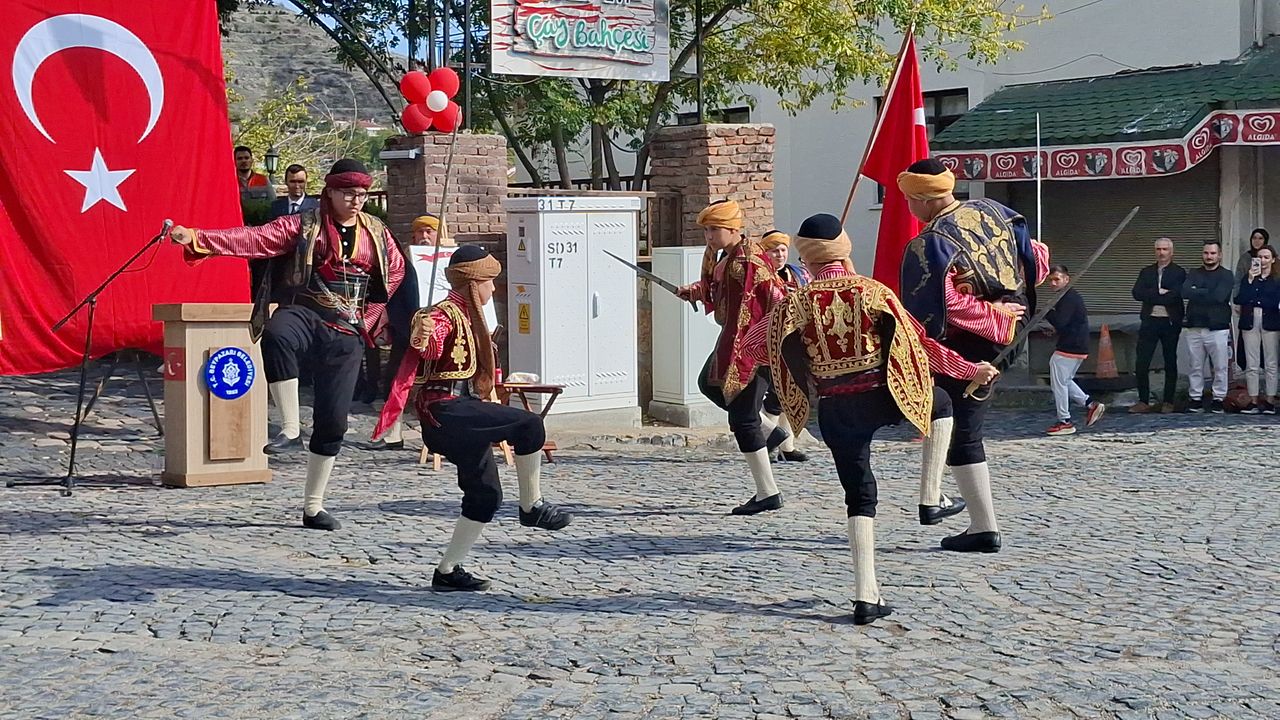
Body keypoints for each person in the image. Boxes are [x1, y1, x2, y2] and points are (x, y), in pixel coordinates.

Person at [767, 213, 1000, 624]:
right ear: (843, 248)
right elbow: (920, 344)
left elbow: (756, 345)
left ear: (807, 257)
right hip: (884, 395)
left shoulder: (795, 303)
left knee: (859, 497)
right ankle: (931, 496)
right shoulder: (873, 291)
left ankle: (865, 596)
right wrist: (970, 370)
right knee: (941, 404)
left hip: (836, 408)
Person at [169, 159, 405, 531]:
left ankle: (313, 507)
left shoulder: (377, 232)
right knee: (278, 333)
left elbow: (395, 272)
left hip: (347, 328)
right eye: (348, 193)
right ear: (330, 192)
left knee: (333, 422)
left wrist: (370, 317)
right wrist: (199, 238)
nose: (356, 201)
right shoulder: (304, 224)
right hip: (307, 311)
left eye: (361, 194)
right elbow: (255, 239)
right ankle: (290, 429)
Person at [374, 245, 572, 591]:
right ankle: (532, 506)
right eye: (489, 281)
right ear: (472, 282)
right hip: (445, 411)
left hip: (464, 412)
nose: (493, 288)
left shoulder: (471, 316)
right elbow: (431, 343)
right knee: (529, 424)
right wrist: (422, 335)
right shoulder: (444, 314)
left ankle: (447, 571)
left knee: (485, 496)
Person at [898, 159, 1049, 553]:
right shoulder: (996, 210)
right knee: (955, 425)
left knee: (962, 431)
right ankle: (946, 503)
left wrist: (992, 314)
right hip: (1014, 332)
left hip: (970, 344)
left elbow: (941, 305)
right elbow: (1036, 260)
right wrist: (1011, 303)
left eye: (909, 201)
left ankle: (983, 526)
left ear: (921, 199)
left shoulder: (930, 243)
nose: (909, 208)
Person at [676, 200, 791, 515]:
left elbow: (773, 298)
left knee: (743, 419)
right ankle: (770, 431)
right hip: (732, 341)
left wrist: (762, 345)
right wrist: (696, 291)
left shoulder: (750, 260)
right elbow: (721, 290)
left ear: (732, 229)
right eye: (707, 230)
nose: (709, 236)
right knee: (708, 383)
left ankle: (767, 492)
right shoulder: (728, 258)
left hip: (752, 349)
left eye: (714, 230)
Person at [370, 214, 457, 450]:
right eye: (420, 232)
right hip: (409, 334)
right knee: (396, 382)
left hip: (446, 336)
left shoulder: (452, 260)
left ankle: (450, 432)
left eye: (430, 231)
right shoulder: (404, 262)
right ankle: (393, 434)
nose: (424, 236)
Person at [758, 229, 809, 463]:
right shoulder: (761, 277)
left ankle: (787, 446)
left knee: (792, 393)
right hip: (769, 342)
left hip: (795, 342)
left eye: (782, 250)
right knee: (775, 395)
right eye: (774, 251)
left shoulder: (798, 274)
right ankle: (767, 442)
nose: (779, 255)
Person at [1042, 265, 1105, 435]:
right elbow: (1069, 323)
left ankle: (1065, 421)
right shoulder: (1068, 297)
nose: (1053, 283)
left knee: (1059, 382)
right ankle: (1090, 404)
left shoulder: (1068, 297)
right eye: (1050, 280)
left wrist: (1047, 311)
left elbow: (1061, 321)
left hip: (1071, 346)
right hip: (1075, 344)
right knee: (1064, 380)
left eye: (1057, 279)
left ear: (1066, 279)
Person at [1130, 238, 1186, 413]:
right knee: (1142, 361)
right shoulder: (1146, 272)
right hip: (1150, 320)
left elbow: (1175, 295)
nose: (1161, 253)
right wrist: (1159, 293)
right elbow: (1136, 293)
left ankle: (1168, 401)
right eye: (1158, 249)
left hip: (1170, 321)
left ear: (1171, 252)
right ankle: (1143, 400)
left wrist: (1152, 295)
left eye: (1165, 249)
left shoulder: (1179, 272)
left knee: (1170, 361)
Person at [1183, 241, 1235, 414]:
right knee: (1195, 365)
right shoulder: (1194, 273)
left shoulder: (1226, 275)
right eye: (1206, 253)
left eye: (1213, 253)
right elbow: (1184, 292)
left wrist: (1197, 290)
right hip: (1194, 326)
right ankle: (1195, 398)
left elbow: (1219, 297)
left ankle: (1218, 399)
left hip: (1217, 327)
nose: (1209, 256)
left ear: (1219, 255)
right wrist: (1206, 291)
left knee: (1220, 366)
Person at [1233, 245, 1280, 414]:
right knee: (1251, 363)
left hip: (1270, 320)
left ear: (1273, 259)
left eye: (1266, 257)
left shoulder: (1276, 279)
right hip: (1250, 320)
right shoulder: (1248, 278)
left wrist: (1257, 301)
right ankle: (1253, 400)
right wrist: (1250, 280)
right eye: (1260, 257)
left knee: (1271, 362)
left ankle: (1270, 400)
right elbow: (1240, 298)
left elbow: (1274, 301)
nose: (1263, 260)